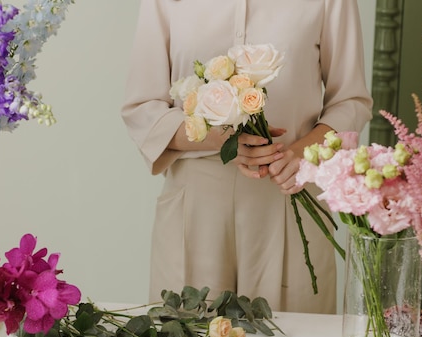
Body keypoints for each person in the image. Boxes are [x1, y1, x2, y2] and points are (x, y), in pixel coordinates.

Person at [120, 0, 373, 313]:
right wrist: (226, 140)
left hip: (290, 193)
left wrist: (300, 154)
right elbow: (143, 108)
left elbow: (351, 101)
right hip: (195, 205)